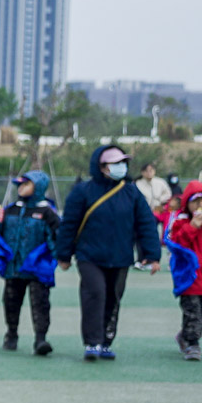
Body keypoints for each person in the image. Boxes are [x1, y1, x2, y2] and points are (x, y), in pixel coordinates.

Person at [55, 144, 160, 362]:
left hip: (120, 256)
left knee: (113, 297)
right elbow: (69, 224)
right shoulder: (83, 191)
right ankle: (92, 342)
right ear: (101, 167)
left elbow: (146, 224)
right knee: (95, 293)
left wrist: (151, 255)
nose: (120, 167)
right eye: (114, 163)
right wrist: (64, 255)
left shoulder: (132, 192)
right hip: (89, 256)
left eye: (122, 163)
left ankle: (105, 341)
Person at [0, 171, 59, 356]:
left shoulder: (47, 212)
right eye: (19, 184)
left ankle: (40, 339)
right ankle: (11, 334)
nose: (21, 187)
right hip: (14, 266)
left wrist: (59, 257)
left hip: (38, 267)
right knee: (11, 301)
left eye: (26, 184)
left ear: (38, 187)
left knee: (40, 303)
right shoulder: (11, 209)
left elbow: (56, 236)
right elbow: (0, 231)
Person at [168, 183, 202, 361]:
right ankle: (192, 343)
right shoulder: (181, 222)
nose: (201, 204)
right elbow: (177, 244)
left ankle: (185, 334)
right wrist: (192, 226)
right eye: (196, 201)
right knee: (193, 311)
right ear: (187, 204)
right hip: (191, 277)